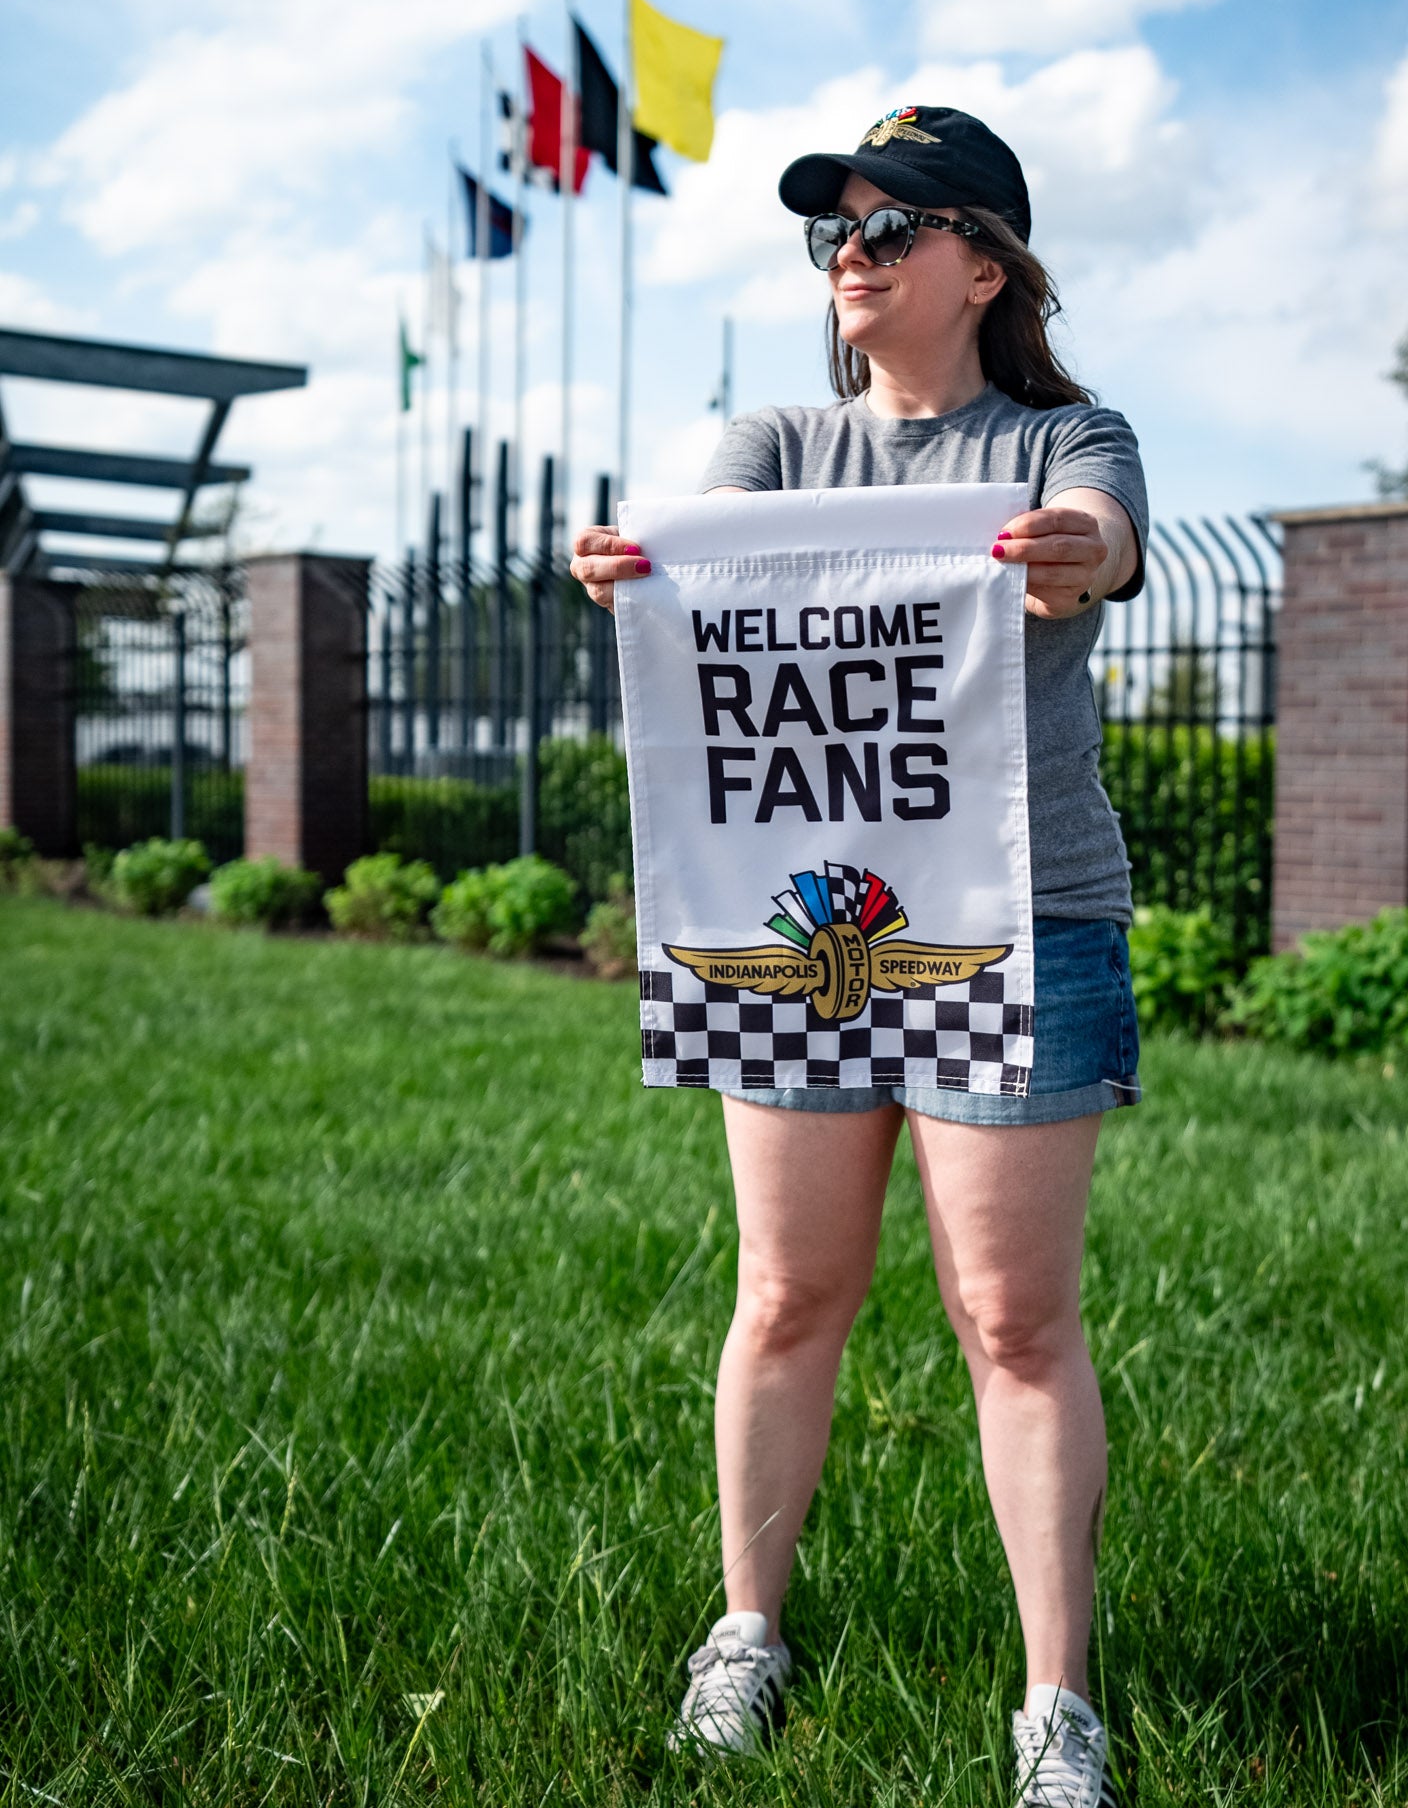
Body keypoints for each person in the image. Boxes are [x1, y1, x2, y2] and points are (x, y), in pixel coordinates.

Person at [570, 104, 1145, 1808]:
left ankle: (1058, 1706)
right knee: (788, 1293)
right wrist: (615, 564)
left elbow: (1105, 535)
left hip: (1019, 924)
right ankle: (747, 1630)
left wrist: (1079, 556)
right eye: (834, 230)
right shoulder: (772, 443)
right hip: (799, 924)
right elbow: (675, 559)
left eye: (893, 230)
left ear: (985, 266)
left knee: (1012, 1319)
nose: (852, 254)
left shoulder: (1064, 435)